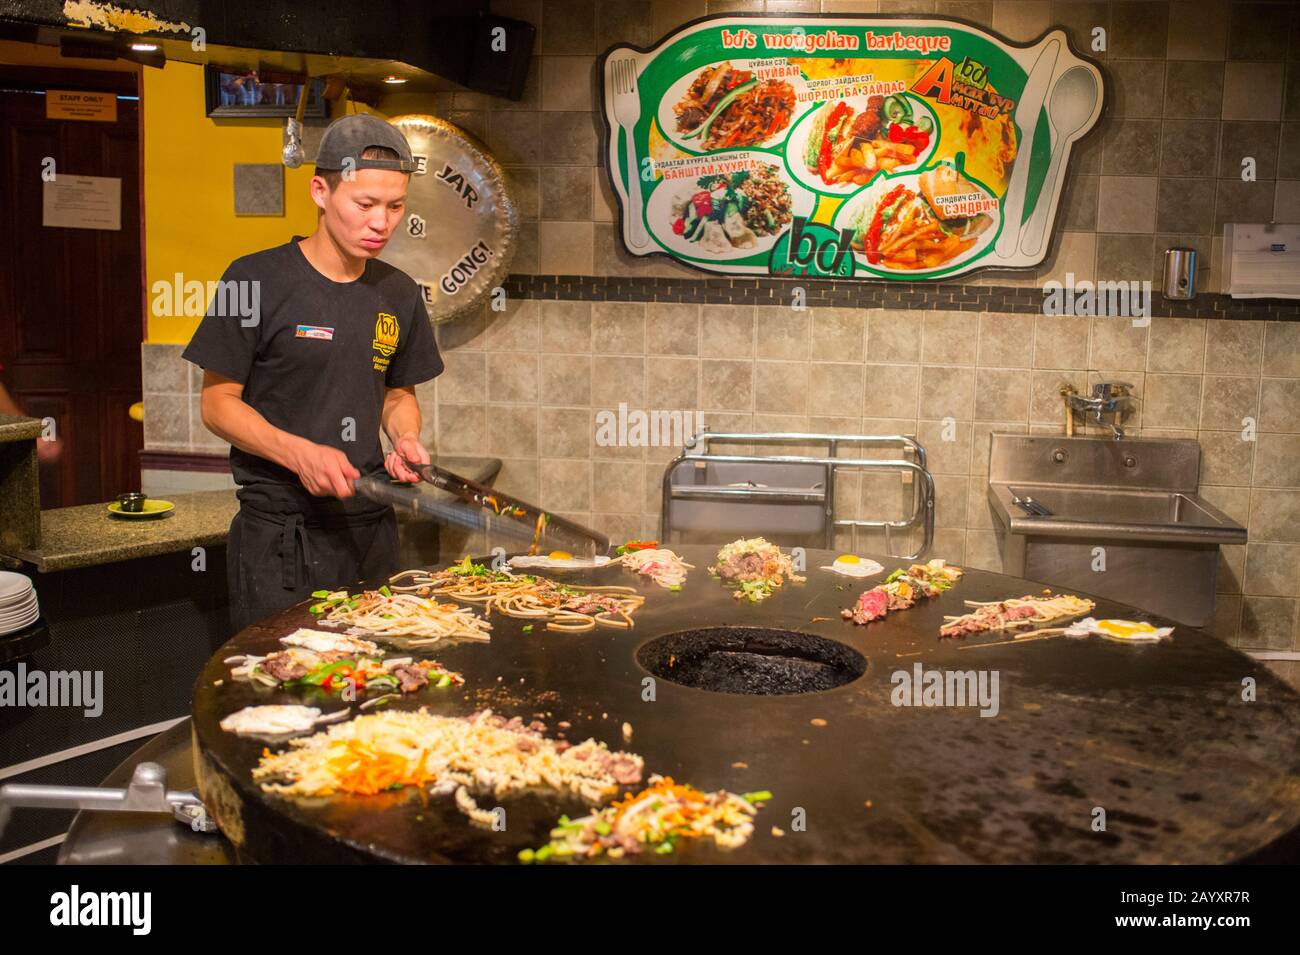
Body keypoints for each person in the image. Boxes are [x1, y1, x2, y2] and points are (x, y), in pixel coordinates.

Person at [183, 114, 444, 633]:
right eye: (364, 204)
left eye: (395, 207)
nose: (381, 223)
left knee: (378, 693)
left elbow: (397, 393)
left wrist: (407, 437)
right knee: (282, 696)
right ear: (320, 191)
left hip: (370, 531)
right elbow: (217, 405)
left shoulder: (400, 292)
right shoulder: (256, 278)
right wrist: (298, 452)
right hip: (281, 537)